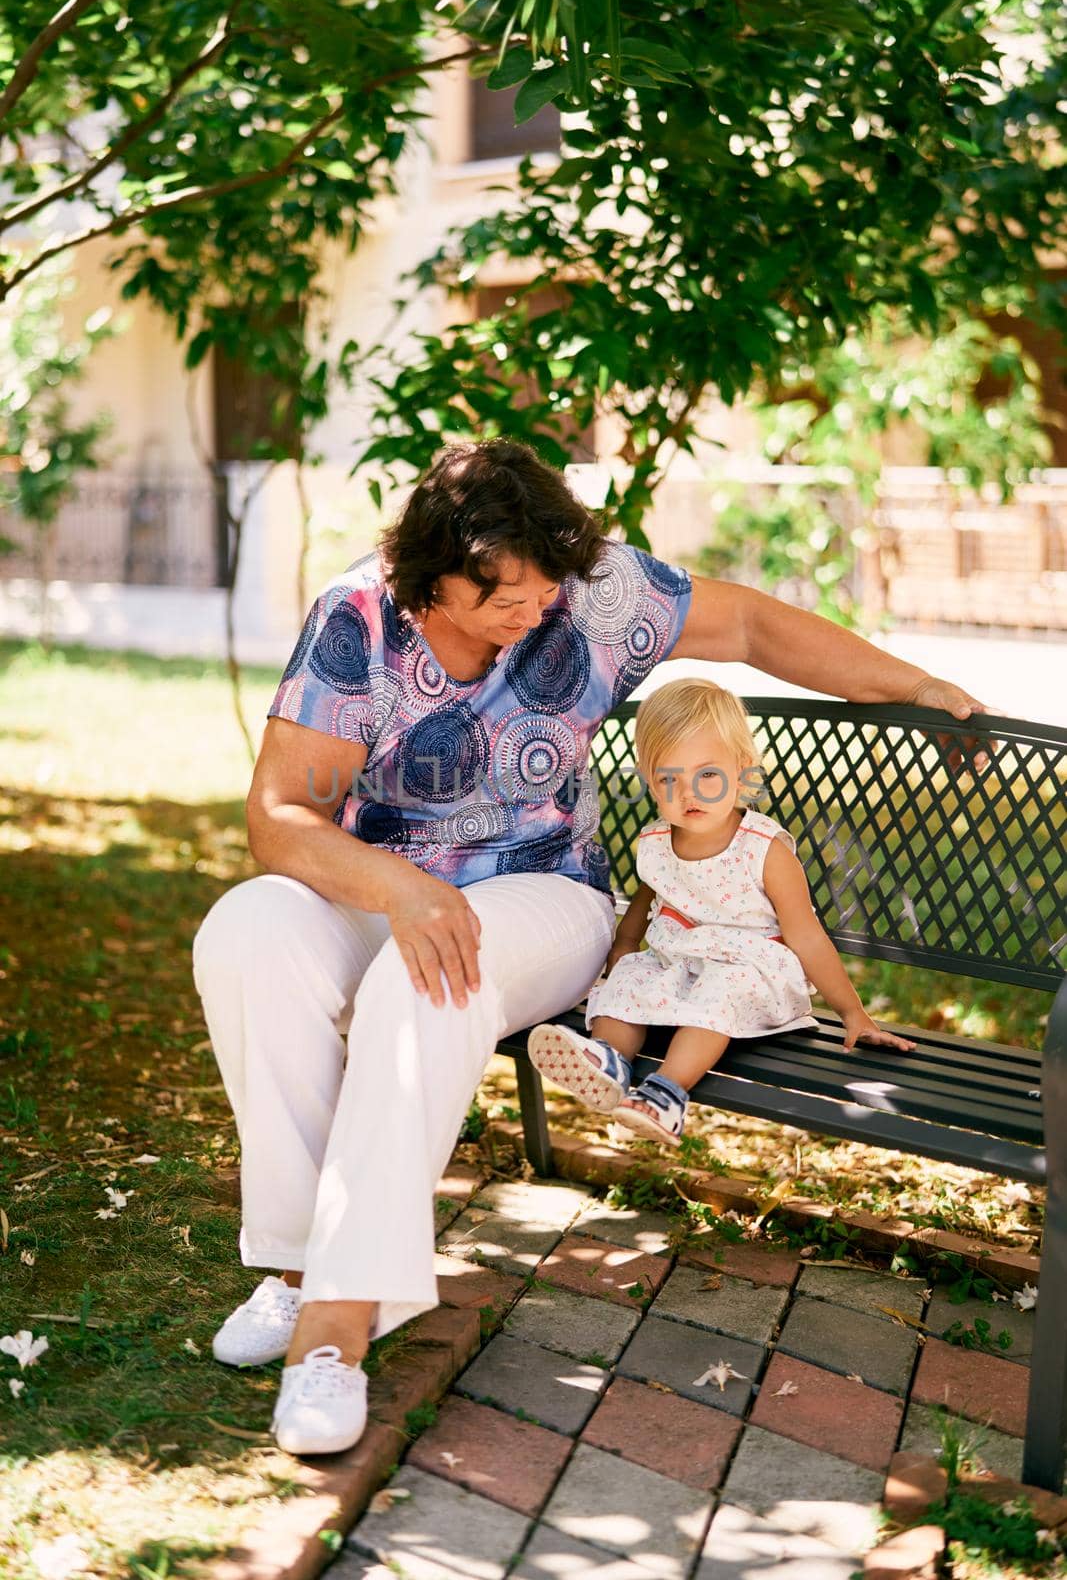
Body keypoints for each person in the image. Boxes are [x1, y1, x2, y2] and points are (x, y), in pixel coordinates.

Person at [191, 437, 991, 1458]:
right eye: (501, 599)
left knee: (428, 972)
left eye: (543, 591)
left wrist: (911, 680)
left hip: (546, 892)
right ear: (426, 577)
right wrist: (402, 887)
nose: (531, 615)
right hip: (393, 883)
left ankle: (335, 1330)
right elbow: (278, 816)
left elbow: (744, 621)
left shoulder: (591, 592)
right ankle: (303, 1257)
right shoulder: (356, 625)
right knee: (249, 930)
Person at [528, 677, 914, 1147]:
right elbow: (640, 914)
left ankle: (668, 1093)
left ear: (744, 773)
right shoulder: (655, 843)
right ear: (648, 780)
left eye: (707, 775)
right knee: (631, 977)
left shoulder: (763, 850)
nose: (689, 793)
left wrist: (852, 1012)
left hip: (753, 974)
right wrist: (620, 961)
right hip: (682, 963)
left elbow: (807, 935)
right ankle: (608, 1059)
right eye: (669, 779)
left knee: (721, 988)